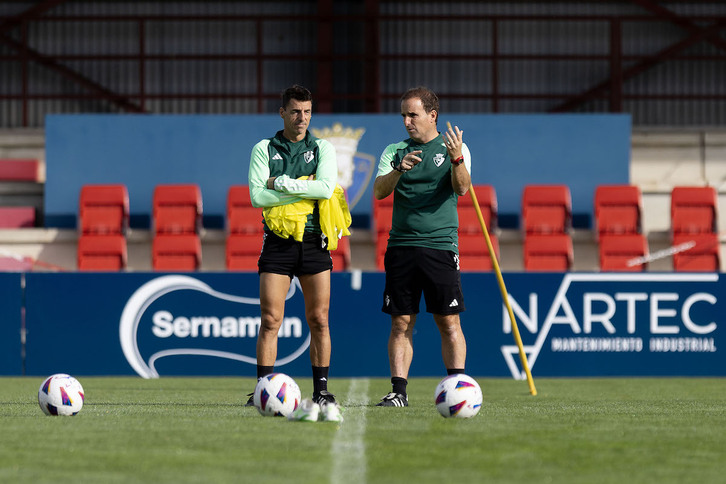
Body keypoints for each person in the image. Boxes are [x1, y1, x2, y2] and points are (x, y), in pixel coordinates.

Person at [373, 86, 472, 407]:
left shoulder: (455, 147)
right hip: (401, 246)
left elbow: (463, 189)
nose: (406, 121)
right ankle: (398, 392)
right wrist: (399, 169)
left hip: (440, 246)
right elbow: (378, 192)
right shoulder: (394, 150)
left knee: (448, 321)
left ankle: (458, 389)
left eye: (412, 114)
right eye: (403, 115)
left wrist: (457, 158)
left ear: (432, 116)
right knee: (401, 322)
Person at [247, 84, 339, 409]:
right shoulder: (264, 149)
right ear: (283, 112)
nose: (302, 118)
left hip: (315, 240)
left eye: (308, 112)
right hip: (278, 242)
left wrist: (282, 183)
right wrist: (306, 187)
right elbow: (257, 196)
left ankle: (322, 391)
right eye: (296, 111)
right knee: (270, 319)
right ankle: (261, 389)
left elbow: (326, 190)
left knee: (319, 319)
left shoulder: (323, 148)